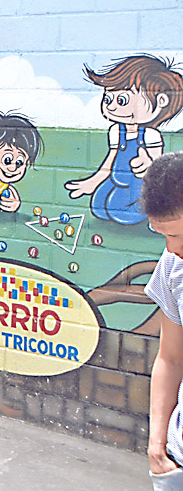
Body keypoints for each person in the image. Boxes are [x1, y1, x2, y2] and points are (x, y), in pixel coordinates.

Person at [67, 55, 183, 226]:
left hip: (138, 187)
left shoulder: (150, 135)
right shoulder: (116, 131)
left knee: (122, 214)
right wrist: (92, 182)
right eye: (108, 99)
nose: (112, 106)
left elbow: (158, 173)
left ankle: (152, 213)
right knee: (98, 207)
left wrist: (147, 164)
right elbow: (110, 161)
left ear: (161, 101)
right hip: (115, 180)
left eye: (122, 100)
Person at [142, 153, 183, 489]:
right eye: (164, 236)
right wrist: (157, 443)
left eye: (180, 236)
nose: (172, 248)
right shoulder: (172, 267)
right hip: (176, 461)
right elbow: (170, 358)